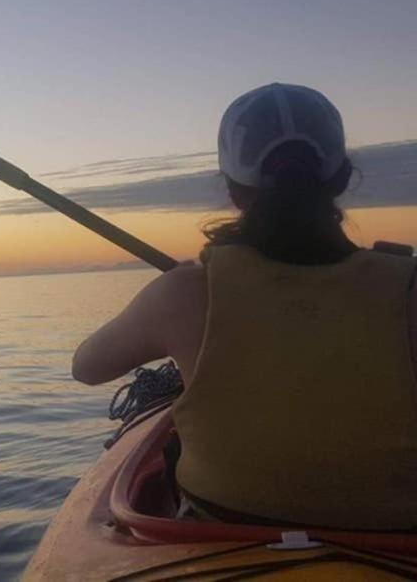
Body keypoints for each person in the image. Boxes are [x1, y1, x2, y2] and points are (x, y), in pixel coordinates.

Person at [71, 83, 417, 530]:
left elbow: (86, 367)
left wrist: (179, 289)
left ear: (233, 190)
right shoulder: (408, 288)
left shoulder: (182, 293)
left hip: (216, 529)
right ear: (342, 177)